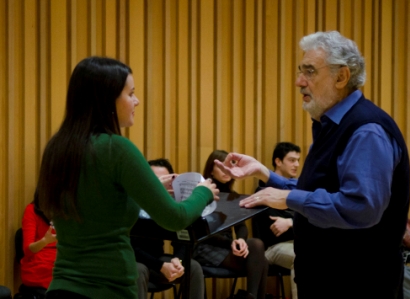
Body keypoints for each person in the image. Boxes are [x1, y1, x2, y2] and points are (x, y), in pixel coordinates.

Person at [215, 31, 410, 299]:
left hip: (358, 283)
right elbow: (324, 187)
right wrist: (266, 174)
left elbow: (361, 207)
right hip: (330, 279)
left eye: (309, 72)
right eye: (300, 71)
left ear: (341, 77)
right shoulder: (331, 124)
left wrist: (289, 198)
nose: (299, 82)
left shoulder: (366, 131)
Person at [35, 56, 219, 299]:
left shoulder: (56, 148)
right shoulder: (117, 148)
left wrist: (149, 187)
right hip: (108, 290)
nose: (137, 101)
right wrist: (203, 192)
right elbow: (176, 218)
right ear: (107, 98)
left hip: (61, 289)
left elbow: (94, 202)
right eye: (130, 93)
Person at [193, 150, 268, 299]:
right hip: (205, 245)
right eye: (221, 167)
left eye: (229, 166)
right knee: (259, 256)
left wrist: (240, 240)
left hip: (229, 246)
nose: (226, 171)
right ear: (211, 171)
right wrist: (232, 242)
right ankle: (252, 297)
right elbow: (203, 231)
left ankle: (250, 296)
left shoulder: (233, 196)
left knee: (259, 254)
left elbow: (241, 227)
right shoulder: (203, 193)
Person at [132, 158, 205, 299]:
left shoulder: (171, 207)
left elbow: (183, 239)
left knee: (193, 267)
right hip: (137, 261)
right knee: (138, 270)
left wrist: (178, 260)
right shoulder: (134, 205)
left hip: (158, 261)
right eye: (155, 180)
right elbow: (132, 248)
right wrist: (160, 266)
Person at [252, 142, 300, 299]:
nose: (297, 165)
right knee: (301, 258)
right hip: (272, 247)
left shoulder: (299, 190)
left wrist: (291, 222)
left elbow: (311, 217)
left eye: (298, 160)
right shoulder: (264, 191)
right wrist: (295, 220)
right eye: (292, 160)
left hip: (296, 242)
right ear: (278, 161)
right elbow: (274, 225)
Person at [19, 192, 57, 299]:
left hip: (61, 258)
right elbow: (28, 250)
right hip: (39, 264)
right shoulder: (31, 210)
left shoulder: (65, 211)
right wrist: (45, 241)